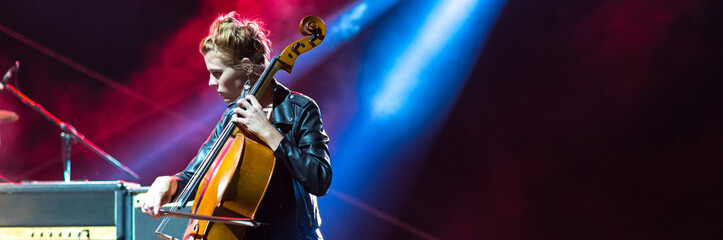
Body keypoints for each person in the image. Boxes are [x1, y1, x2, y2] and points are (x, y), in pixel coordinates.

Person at [140, 12, 332, 240]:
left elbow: (319, 179)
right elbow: (196, 175)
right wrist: (168, 183)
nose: (211, 83)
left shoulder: (301, 110)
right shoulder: (232, 116)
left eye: (217, 73)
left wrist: (268, 132)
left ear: (247, 67)